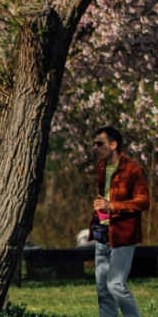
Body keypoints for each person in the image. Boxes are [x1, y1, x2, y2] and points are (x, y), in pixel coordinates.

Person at [92, 126, 149, 317]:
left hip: (123, 234)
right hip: (102, 232)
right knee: (103, 289)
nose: (95, 147)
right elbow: (104, 194)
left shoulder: (134, 169)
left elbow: (144, 201)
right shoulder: (101, 167)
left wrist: (113, 206)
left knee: (115, 284)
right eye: (94, 144)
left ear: (113, 145)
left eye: (99, 143)